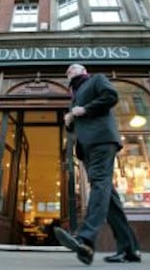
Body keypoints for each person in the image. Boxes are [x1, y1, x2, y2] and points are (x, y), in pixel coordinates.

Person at [54, 64, 141, 265]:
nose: (70, 72)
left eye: (74, 69)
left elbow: (111, 96)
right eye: (67, 72)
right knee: (109, 197)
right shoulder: (74, 95)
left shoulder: (96, 79)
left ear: (84, 71)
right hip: (87, 147)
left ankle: (85, 238)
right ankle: (129, 250)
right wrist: (69, 120)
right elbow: (78, 124)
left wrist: (84, 109)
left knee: (99, 184)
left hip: (102, 140)